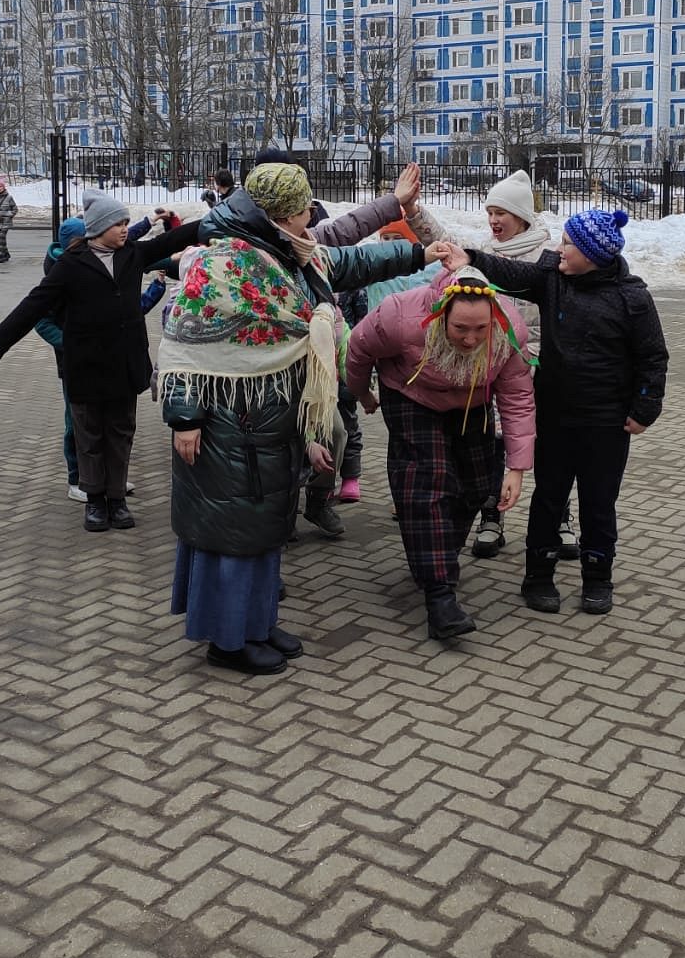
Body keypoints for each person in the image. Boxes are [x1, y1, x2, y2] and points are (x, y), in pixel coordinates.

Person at [159, 162, 437, 675]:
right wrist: (184, 418)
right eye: (304, 209)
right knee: (232, 535)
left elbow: (351, 261)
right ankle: (227, 642)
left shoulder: (288, 251)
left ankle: (258, 623)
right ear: (282, 214)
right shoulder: (224, 261)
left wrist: (421, 253)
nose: (311, 217)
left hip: (272, 417)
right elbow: (182, 344)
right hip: (227, 424)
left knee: (265, 531)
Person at [439, 207, 669, 615]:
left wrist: (644, 408)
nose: (559, 249)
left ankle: (597, 577)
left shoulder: (632, 297)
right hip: (556, 415)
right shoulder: (553, 280)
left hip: (607, 421)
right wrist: (471, 258)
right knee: (549, 497)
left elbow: (652, 357)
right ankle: (539, 576)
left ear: (592, 254)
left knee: (599, 502)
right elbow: (511, 272)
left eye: (567, 244)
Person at [0, 194, 209, 533]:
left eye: (126, 223)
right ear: (99, 228)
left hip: (124, 364)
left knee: (120, 434)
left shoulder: (132, 253)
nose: (125, 229)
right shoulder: (71, 264)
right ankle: (95, 501)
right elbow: (34, 305)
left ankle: (117, 499)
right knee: (89, 437)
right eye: (119, 224)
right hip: (86, 366)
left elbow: (171, 240)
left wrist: (217, 220)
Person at [346, 265, 535, 641]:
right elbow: (358, 349)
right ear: (440, 314)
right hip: (410, 395)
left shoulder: (509, 331)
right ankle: (440, 596)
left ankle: (436, 553)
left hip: (471, 400)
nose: (470, 339)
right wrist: (362, 393)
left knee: (476, 486)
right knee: (428, 484)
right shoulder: (401, 316)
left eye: (480, 329)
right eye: (460, 328)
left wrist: (517, 467)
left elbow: (517, 396)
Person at [406, 169, 563, 558]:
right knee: (493, 445)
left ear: (520, 215)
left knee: (548, 447)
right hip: (498, 368)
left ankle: (560, 518)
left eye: (501, 213)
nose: (493, 220)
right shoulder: (486, 256)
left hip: (541, 368)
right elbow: (447, 244)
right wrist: (413, 212)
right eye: (490, 212)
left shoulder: (549, 259)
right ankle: (492, 516)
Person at [34, 214, 162, 502]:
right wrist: (72, 344)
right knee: (77, 425)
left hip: (109, 360)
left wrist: (159, 282)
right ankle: (77, 479)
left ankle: (110, 481)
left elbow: (134, 250)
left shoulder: (104, 262)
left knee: (112, 424)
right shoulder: (62, 274)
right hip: (75, 365)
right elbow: (41, 321)